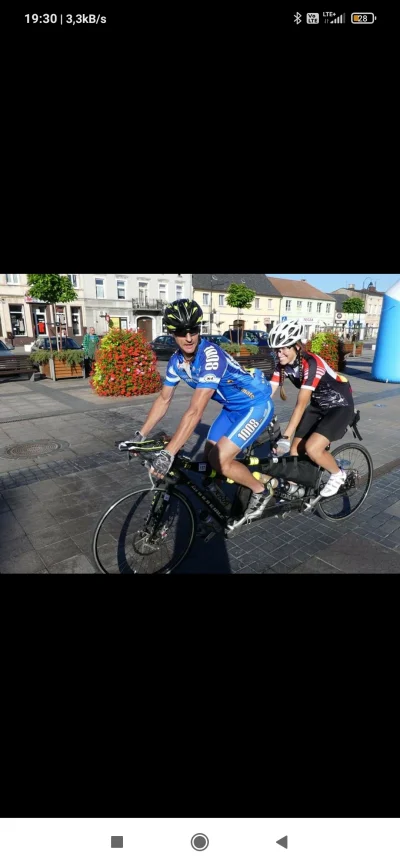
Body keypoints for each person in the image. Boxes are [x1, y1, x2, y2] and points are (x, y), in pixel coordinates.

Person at [120, 299, 276, 528]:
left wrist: (168, 453)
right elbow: (164, 399)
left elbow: (195, 411)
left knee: (221, 460)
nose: (189, 337)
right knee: (208, 457)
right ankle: (220, 502)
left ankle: (260, 491)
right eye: (182, 332)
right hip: (232, 409)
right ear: (172, 333)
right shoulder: (175, 362)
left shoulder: (211, 357)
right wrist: (140, 435)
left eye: (193, 330)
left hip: (256, 405)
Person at [267, 320, 355, 497]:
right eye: (276, 349)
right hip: (318, 406)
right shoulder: (282, 366)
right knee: (294, 451)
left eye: (284, 348)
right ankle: (294, 491)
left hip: (339, 406)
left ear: (297, 347)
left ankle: (338, 474)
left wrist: (285, 436)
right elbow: (267, 394)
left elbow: (300, 404)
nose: (279, 353)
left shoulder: (312, 364)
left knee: (312, 449)